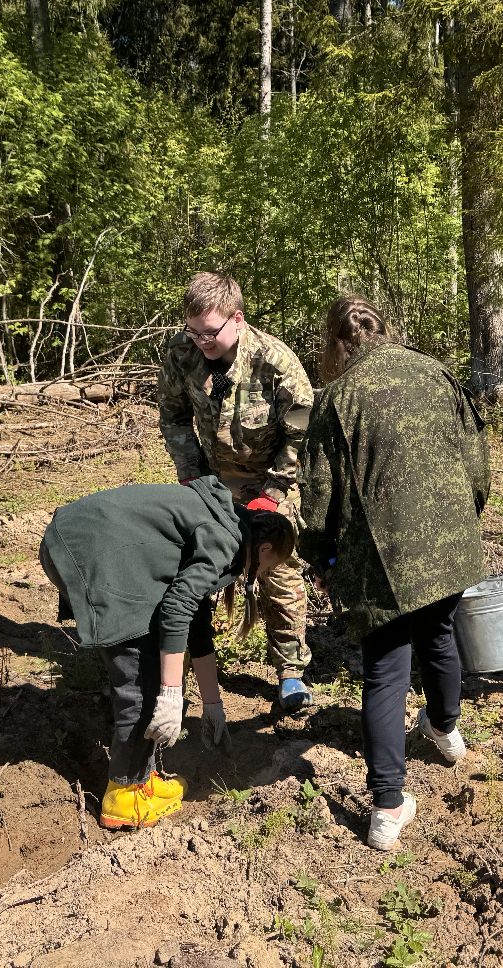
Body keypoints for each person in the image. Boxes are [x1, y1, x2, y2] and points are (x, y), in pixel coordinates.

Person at [299, 295, 490, 851]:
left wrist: (322, 556)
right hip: (451, 545)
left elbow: (318, 502)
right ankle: (446, 732)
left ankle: (386, 809)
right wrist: (465, 518)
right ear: (386, 330)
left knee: (385, 672)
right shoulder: (438, 373)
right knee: (439, 635)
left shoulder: (335, 400)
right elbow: (477, 463)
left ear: (337, 344)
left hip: (383, 563)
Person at [39, 477, 296, 830]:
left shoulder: (230, 524)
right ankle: (122, 797)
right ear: (265, 550)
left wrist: (213, 704)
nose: (262, 575)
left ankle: (141, 779)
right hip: (90, 551)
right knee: (144, 687)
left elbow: (197, 619)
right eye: (269, 568)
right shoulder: (226, 540)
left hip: (88, 541)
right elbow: (177, 608)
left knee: (152, 673)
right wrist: (172, 694)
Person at [158, 272, 317, 713]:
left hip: (271, 478)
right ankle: (188, 664)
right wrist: (191, 474)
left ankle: (289, 673)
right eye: (193, 331)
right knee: (200, 567)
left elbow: (301, 429)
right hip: (210, 482)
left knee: (279, 571)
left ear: (238, 319)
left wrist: (275, 487)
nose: (201, 341)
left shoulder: (274, 361)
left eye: (210, 332)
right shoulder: (180, 352)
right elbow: (172, 417)